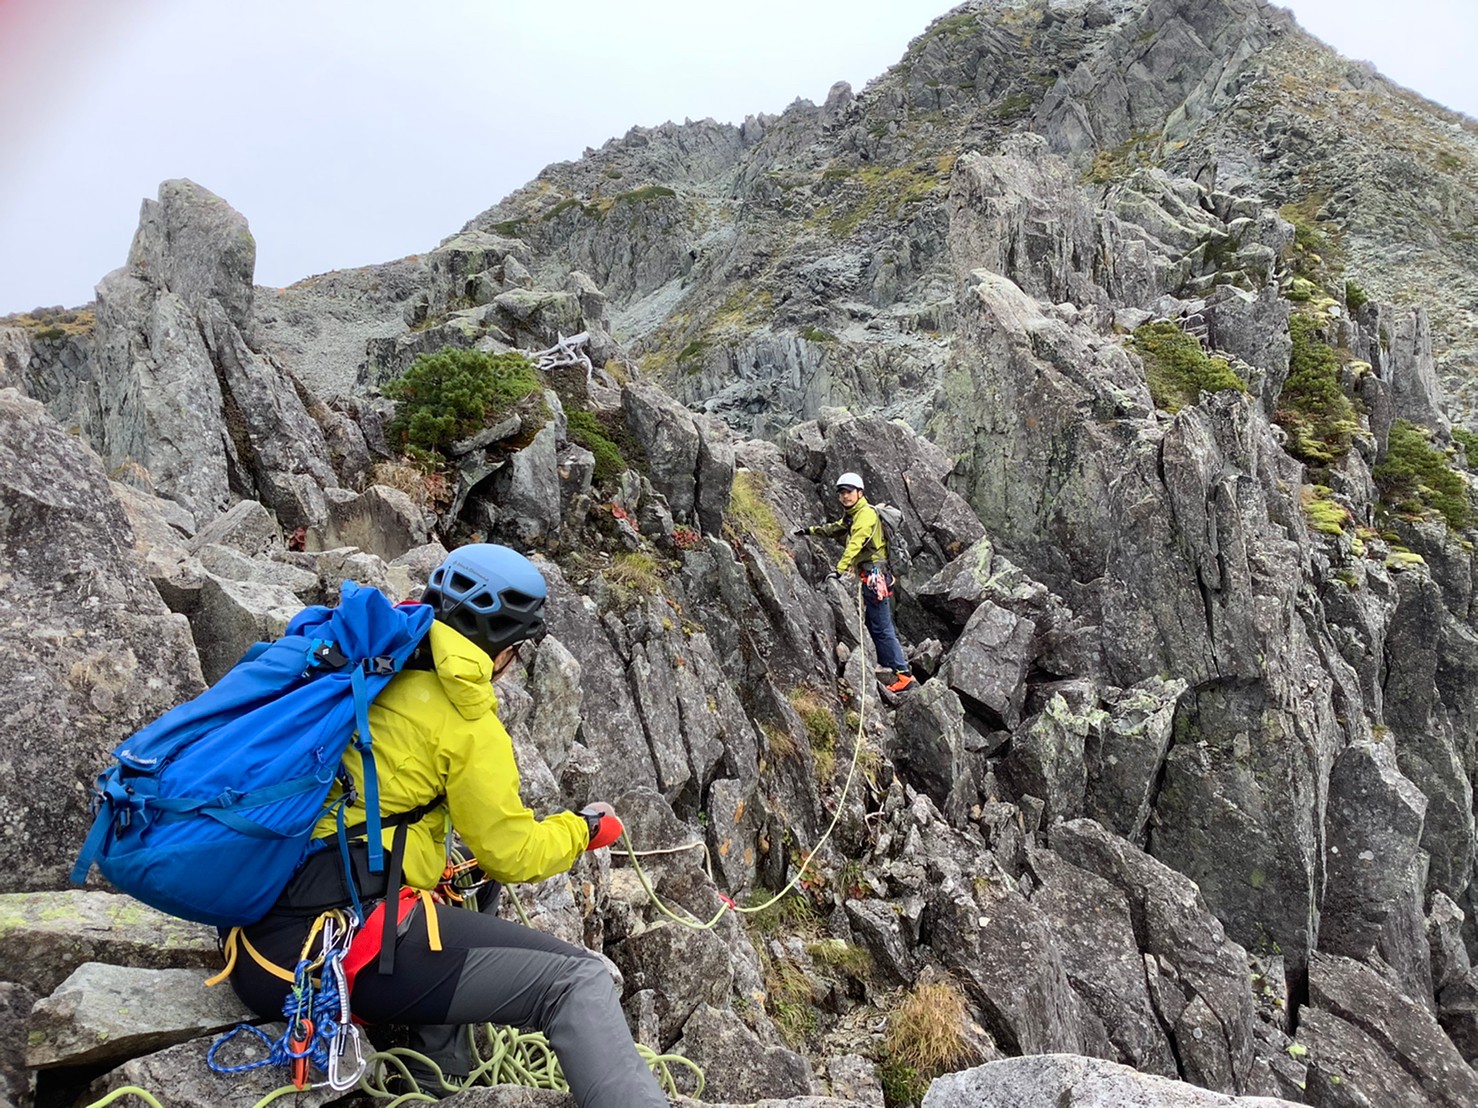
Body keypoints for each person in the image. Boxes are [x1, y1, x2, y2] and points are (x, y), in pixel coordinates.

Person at [225, 543, 667, 1106]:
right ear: (504, 646)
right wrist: (582, 829)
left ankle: (441, 1082)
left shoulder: (365, 661)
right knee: (578, 983)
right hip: (320, 960)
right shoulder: (467, 720)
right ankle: (443, 1081)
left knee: (458, 894)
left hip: (252, 930)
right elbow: (512, 852)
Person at [797, 472, 915, 693]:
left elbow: (856, 543)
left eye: (849, 492)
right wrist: (810, 531)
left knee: (881, 627)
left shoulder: (865, 516)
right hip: (873, 575)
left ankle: (903, 674)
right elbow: (835, 529)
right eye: (841, 493)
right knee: (874, 624)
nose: (844, 496)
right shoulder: (854, 514)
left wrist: (839, 569)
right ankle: (887, 664)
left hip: (875, 576)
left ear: (860, 493)